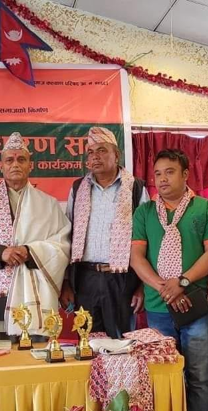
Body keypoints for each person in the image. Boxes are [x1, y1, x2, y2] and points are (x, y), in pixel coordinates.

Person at [130, 148, 208, 411]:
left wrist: (181, 283)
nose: (162, 179)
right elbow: (137, 258)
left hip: (196, 307)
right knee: (165, 381)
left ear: (185, 175)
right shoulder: (144, 212)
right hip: (159, 310)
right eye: (157, 174)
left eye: (170, 172)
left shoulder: (205, 208)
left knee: (199, 379)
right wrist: (163, 287)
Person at [0, 132, 71, 336]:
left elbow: (63, 245)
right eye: (9, 160)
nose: (15, 164)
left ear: (30, 165)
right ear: (1, 166)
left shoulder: (48, 204)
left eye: (21, 159)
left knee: (36, 351)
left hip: (38, 296)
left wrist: (31, 251)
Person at [61, 126, 147, 338]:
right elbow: (66, 237)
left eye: (102, 150)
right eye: (90, 152)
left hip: (122, 279)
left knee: (120, 343)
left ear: (116, 155)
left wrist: (142, 286)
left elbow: (147, 240)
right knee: (86, 343)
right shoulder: (78, 188)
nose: (95, 157)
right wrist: (66, 283)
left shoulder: (135, 188)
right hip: (85, 279)